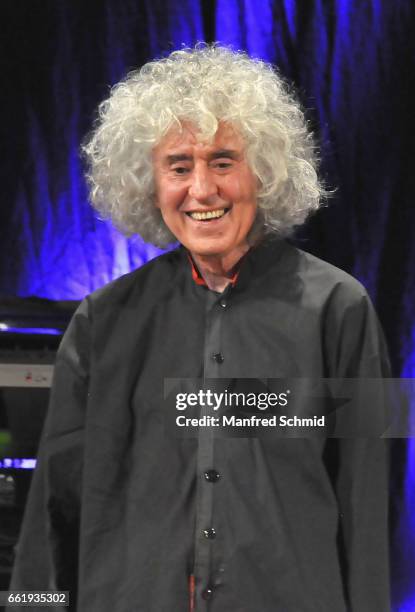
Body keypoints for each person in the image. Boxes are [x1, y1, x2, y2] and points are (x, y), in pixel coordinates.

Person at [10, 45, 390, 611]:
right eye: (179, 166)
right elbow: (53, 506)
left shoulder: (341, 309)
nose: (202, 190)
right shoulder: (102, 321)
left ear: (263, 170)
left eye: (223, 161)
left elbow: (366, 501)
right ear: (148, 182)